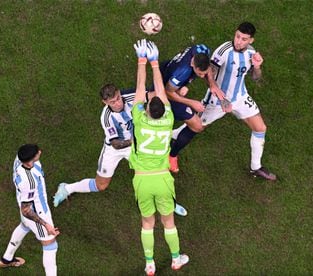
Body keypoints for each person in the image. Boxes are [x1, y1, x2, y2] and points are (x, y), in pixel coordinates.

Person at [52, 85, 187, 216]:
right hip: (115, 149)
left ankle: (170, 204)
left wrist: (176, 92)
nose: (118, 103)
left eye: (118, 98)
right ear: (104, 102)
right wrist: (135, 141)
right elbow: (115, 143)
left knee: (155, 173)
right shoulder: (106, 118)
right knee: (101, 185)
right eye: (112, 102)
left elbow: (155, 95)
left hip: (135, 147)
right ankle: (67, 188)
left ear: (119, 93)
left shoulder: (130, 97)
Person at [175, 22, 276, 180]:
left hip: (241, 97)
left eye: (243, 39)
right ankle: (170, 137)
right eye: (237, 36)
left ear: (251, 41)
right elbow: (209, 77)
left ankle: (255, 167)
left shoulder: (251, 52)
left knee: (260, 128)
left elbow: (256, 78)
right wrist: (222, 100)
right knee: (197, 125)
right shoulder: (223, 51)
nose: (238, 41)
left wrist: (257, 67)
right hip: (217, 100)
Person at [131, 39, 189, 276]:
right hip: (163, 179)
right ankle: (176, 259)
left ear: (146, 110)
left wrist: (141, 60)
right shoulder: (167, 121)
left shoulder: (139, 120)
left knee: (147, 223)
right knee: (168, 222)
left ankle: (149, 264)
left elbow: (139, 87)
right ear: (162, 110)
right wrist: (155, 63)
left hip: (142, 180)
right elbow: (161, 93)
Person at [159, 43, 231, 173]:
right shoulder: (183, 72)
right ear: (193, 64)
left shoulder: (202, 49)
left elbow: (208, 69)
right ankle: (172, 155)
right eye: (199, 73)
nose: (202, 76)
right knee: (197, 126)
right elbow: (168, 92)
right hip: (165, 89)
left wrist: (212, 84)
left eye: (204, 73)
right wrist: (191, 103)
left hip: (169, 71)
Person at [0, 144, 60, 276]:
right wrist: (46, 224)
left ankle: (6, 259)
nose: (40, 152)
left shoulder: (18, 159)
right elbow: (26, 210)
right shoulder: (29, 181)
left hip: (24, 204)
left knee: (24, 226)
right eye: (37, 152)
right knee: (50, 246)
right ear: (31, 160)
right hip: (37, 212)